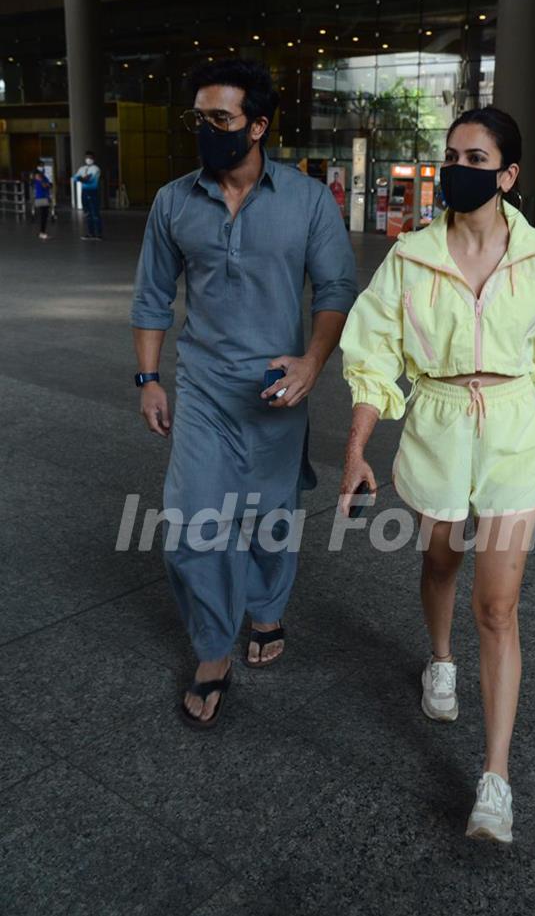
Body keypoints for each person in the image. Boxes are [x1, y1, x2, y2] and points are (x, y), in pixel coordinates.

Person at [339, 106, 535, 844]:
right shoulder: (411, 257)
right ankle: (439, 660)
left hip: (511, 430)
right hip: (439, 420)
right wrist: (356, 448)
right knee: (441, 558)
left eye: (475, 157)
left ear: (508, 175)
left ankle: (495, 780)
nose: (457, 167)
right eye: (451, 154)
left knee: (499, 606)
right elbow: (373, 353)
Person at [131, 58, 357, 730]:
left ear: (258, 126)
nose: (205, 130)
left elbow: (336, 290)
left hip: (278, 387)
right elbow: (151, 299)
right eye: (198, 118)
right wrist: (148, 379)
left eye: (220, 119)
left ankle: (266, 605)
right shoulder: (174, 201)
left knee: (270, 515)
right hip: (202, 387)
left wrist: (314, 362)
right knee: (193, 525)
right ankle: (210, 648)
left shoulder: (310, 200)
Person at [73, 151, 102, 240]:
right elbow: (75, 178)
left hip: (93, 192)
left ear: (93, 159)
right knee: (88, 214)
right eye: (87, 157)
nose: (88, 159)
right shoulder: (82, 168)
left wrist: (81, 178)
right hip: (84, 192)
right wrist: (82, 178)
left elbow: (89, 179)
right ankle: (91, 233)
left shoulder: (96, 168)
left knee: (95, 214)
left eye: (90, 157)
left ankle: (98, 234)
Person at [33, 164, 53, 240]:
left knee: (44, 216)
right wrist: (44, 183)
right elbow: (45, 186)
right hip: (41, 199)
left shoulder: (44, 178)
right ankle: (42, 233)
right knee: (43, 216)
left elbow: (50, 185)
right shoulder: (38, 180)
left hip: (45, 198)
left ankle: (42, 232)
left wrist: (47, 184)